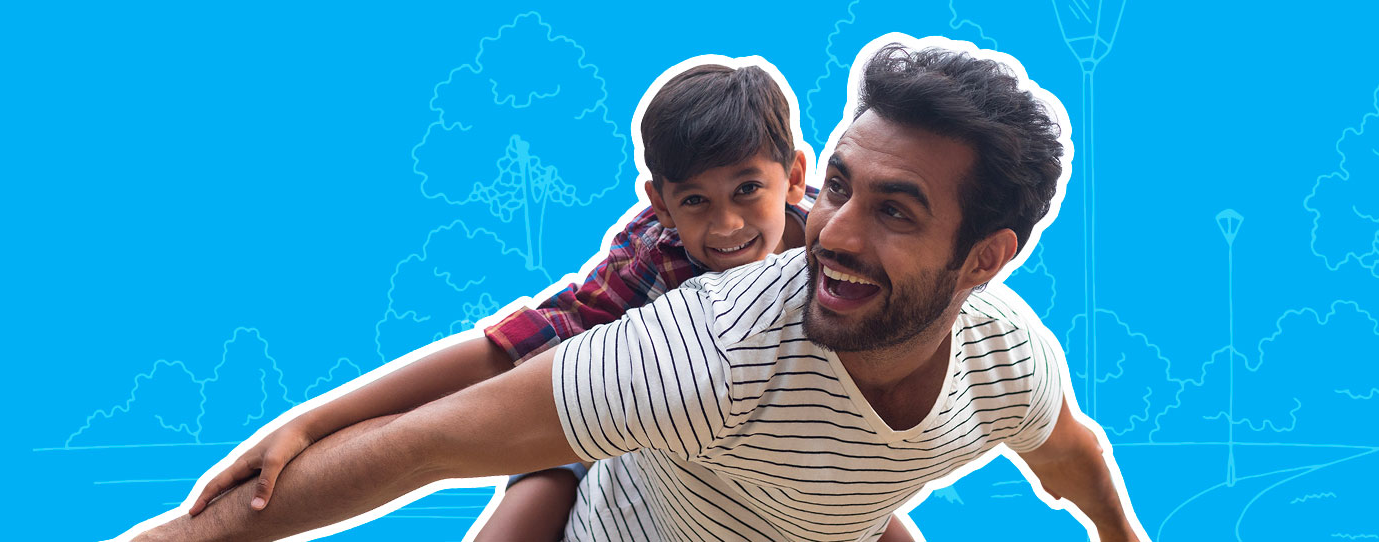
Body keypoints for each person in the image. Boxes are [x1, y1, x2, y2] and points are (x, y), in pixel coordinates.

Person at [126, 36, 1148, 542]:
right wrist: (294, 432)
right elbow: (445, 417)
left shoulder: (1005, 353)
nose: (829, 233)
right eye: (842, 187)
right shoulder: (697, 340)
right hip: (611, 462)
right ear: (658, 198)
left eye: (894, 209)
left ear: (987, 258)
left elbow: (1073, 450)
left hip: (790, 495)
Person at [179, 57, 914, 541]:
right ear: (659, 202)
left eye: (745, 191)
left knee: (887, 526)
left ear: (792, 176)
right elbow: (505, 352)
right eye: (694, 201)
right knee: (534, 497)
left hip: (782, 456)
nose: (723, 225)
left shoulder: (832, 254)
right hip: (628, 428)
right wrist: (309, 424)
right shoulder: (653, 256)